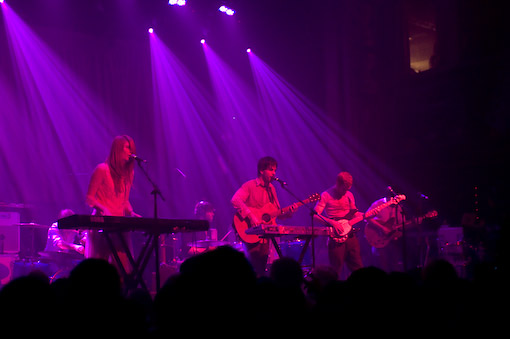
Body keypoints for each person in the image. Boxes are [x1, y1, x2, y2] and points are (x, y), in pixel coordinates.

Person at [231, 156, 297, 276]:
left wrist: (289, 213)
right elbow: (235, 200)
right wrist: (251, 216)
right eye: (271, 170)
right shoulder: (250, 185)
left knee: (261, 269)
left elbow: (276, 213)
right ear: (261, 170)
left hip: (265, 236)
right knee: (252, 268)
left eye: (275, 170)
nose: (274, 173)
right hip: (251, 233)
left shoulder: (272, 189)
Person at [85, 135, 141, 273]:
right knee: (98, 269)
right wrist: (103, 208)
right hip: (101, 224)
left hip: (119, 225)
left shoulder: (129, 173)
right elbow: (90, 199)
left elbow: (125, 200)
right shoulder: (102, 169)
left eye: (132, 148)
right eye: (127, 147)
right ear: (117, 149)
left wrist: (131, 212)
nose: (131, 151)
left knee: (122, 269)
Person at [313, 171, 363, 278]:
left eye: (348, 189)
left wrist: (367, 215)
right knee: (336, 269)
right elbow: (315, 215)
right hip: (336, 236)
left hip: (350, 234)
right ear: (338, 183)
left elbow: (353, 213)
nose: (345, 192)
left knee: (357, 267)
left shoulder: (349, 195)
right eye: (344, 189)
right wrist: (332, 222)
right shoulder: (326, 195)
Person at [364, 196, 406, 272]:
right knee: (381, 264)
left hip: (392, 240)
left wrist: (413, 223)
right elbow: (366, 217)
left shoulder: (399, 208)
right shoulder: (379, 204)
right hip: (378, 237)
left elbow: (402, 224)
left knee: (395, 264)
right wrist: (382, 228)